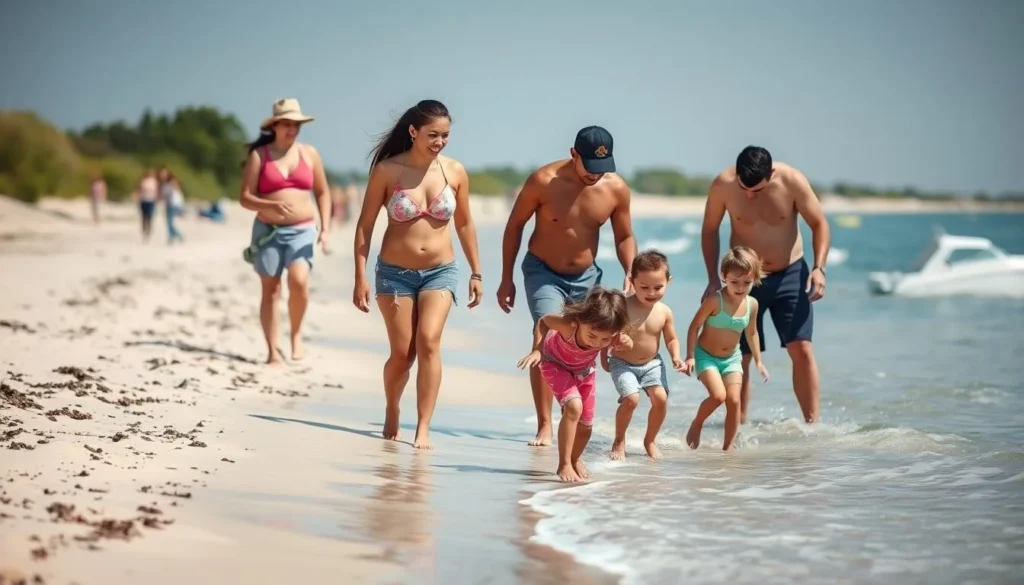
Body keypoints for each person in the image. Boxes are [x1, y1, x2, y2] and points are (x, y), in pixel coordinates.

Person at [352, 99, 483, 451]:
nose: (439, 141)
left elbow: (466, 223)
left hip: (441, 271)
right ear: (413, 132)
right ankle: (393, 407)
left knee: (428, 342)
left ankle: (423, 427)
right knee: (402, 354)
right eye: (432, 135)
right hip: (394, 275)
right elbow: (364, 227)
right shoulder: (387, 171)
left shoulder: (454, 172)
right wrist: (360, 277)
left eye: (445, 135)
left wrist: (477, 272)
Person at [498, 126, 638, 447]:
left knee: (585, 343)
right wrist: (506, 277)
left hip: (588, 276)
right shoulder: (543, 181)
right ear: (574, 154)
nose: (595, 176)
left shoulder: (615, 189)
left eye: (602, 168)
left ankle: (575, 414)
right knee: (548, 337)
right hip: (543, 271)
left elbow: (625, 236)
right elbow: (515, 225)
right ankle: (545, 424)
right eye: (590, 167)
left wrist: (630, 267)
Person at [700, 146, 830, 424]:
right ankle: (737, 427)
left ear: (770, 174)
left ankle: (812, 426)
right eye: (743, 187)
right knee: (741, 355)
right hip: (744, 280)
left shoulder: (792, 180)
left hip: (790, 274)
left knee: (802, 348)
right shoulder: (723, 184)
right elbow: (710, 229)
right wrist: (713, 279)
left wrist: (819, 268)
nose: (748, 195)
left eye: (756, 190)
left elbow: (819, 223)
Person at [239, 98, 331, 365]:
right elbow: (245, 197)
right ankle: (271, 350)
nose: (293, 129)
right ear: (275, 126)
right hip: (268, 231)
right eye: (288, 124)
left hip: (302, 229)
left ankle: (296, 335)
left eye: (297, 124)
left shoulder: (310, 153)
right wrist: (270, 204)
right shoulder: (260, 156)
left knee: (300, 281)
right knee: (271, 290)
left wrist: (325, 229)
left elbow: (323, 192)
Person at [517, 286, 632, 482]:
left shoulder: (612, 333)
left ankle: (574, 458)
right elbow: (543, 322)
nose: (596, 343)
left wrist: (626, 343)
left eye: (605, 339)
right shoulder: (568, 324)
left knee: (586, 426)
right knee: (573, 406)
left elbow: (626, 344)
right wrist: (537, 349)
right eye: (592, 336)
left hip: (584, 371)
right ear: (582, 321)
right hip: (554, 362)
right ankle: (564, 464)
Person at [684, 246, 770, 450]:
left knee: (734, 401)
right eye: (734, 282)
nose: (740, 287)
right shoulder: (715, 300)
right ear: (723, 276)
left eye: (747, 283)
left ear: (755, 279)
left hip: (732, 359)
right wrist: (690, 357)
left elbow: (752, 333)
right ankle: (697, 423)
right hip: (706, 357)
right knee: (718, 396)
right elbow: (694, 326)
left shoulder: (752, 304)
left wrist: (758, 361)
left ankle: (728, 448)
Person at [602, 250, 683, 461]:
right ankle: (619, 440)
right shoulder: (623, 306)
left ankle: (650, 440)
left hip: (652, 363)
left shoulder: (664, 311)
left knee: (661, 399)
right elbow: (607, 330)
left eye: (658, 287)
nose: (651, 293)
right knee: (631, 400)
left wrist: (676, 356)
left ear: (668, 282)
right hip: (622, 362)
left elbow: (672, 339)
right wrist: (606, 351)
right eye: (644, 287)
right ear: (632, 282)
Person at [159, 167, 185, 244]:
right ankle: (171, 237)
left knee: (169, 222)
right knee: (168, 222)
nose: (162, 175)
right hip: (168, 204)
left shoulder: (172, 182)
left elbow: (175, 192)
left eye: (164, 174)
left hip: (173, 204)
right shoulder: (164, 183)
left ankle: (178, 235)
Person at [133, 168, 159, 241]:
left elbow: (157, 191)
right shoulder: (143, 181)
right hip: (143, 200)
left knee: (150, 216)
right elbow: (138, 189)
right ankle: (144, 230)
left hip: (151, 200)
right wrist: (136, 196)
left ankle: (149, 230)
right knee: (144, 216)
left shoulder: (154, 181)